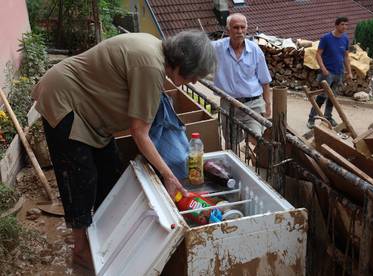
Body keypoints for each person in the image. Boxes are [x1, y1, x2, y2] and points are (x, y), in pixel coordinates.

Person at [31, 30, 216, 270]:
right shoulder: (150, 67)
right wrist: (169, 175)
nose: (193, 82)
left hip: (89, 111)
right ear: (184, 64)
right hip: (64, 99)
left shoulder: (155, 50)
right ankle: (80, 249)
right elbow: (139, 132)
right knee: (81, 178)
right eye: (195, 75)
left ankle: (101, 237)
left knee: (110, 173)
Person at [212, 13, 272, 149]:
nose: (239, 31)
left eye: (242, 27)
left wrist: (268, 105)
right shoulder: (216, 48)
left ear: (246, 28)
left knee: (258, 140)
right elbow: (197, 50)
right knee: (231, 143)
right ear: (228, 30)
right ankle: (233, 167)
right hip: (229, 104)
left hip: (253, 104)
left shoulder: (255, 50)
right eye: (235, 27)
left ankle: (256, 169)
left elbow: (265, 80)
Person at [307, 16, 353, 129]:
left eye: (346, 25)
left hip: (339, 73)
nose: (344, 27)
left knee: (333, 98)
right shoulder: (326, 38)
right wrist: (323, 69)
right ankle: (311, 119)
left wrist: (349, 72)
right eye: (342, 24)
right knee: (322, 97)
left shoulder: (345, 39)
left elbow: (346, 56)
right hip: (328, 73)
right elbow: (318, 54)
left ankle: (328, 117)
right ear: (336, 25)